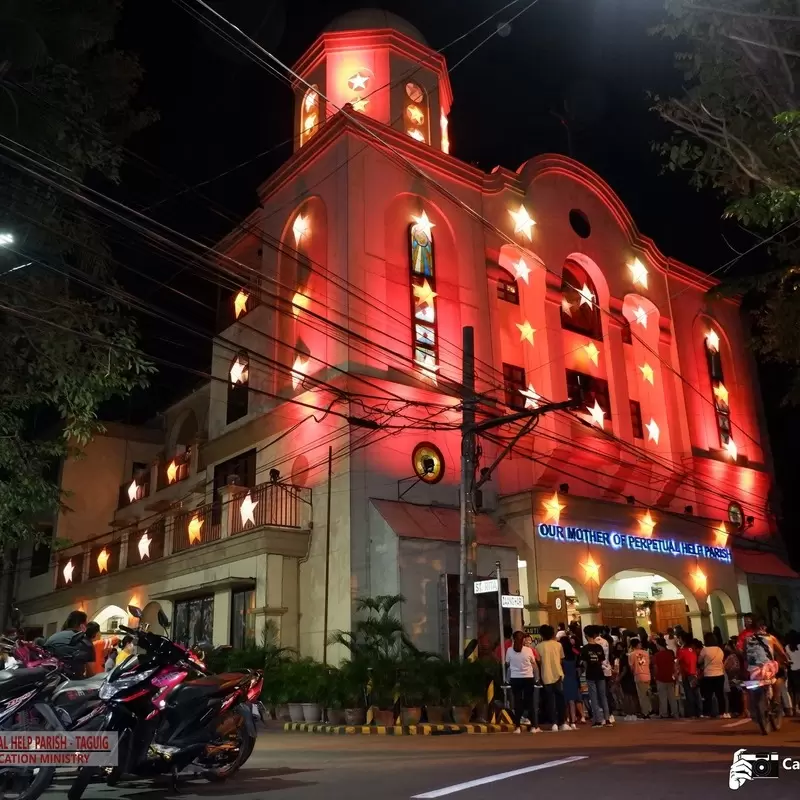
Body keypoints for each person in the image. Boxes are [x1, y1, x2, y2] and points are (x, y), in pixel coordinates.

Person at [506, 631, 541, 734]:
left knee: (517, 702)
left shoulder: (509, 650)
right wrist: (537, 678)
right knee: (529, 702)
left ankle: (517, 727)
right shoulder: (528, 650)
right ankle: (533, 726)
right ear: (523, 640)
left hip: (515, 678)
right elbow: (533, 664)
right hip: (528, 678)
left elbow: (507, 663)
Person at [535, 624, 568, 731]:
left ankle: (554, 723)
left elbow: (538, 662)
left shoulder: (538, 647)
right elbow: (562, 659)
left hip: (546, 675)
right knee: (560, 700)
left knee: (550, 700)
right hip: (558, 674)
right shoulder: (558, 645)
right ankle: (562, 722)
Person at [45, 610, 94, 678]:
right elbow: (91, 673)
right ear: (82, 626)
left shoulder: (52, 637)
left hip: (49, 680)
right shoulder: (84, 641)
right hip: (73, 684)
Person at [581, 625, 613, 727]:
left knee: (593, 697)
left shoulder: (585, 648)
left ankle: (598, 720)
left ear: (586, 635)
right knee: (603, 696)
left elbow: (585, 663)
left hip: (590, 674)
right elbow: (602, 660)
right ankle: (607, 719)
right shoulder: (599, 647)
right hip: (600, 673)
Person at [699, 631, 727, 719]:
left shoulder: (705, 650)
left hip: (708, 675)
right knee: (720, 695)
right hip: (720, 674)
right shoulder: (719, 649)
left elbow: (699, 661)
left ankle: (707, 713)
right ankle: (723, 712)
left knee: (708, 695)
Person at [653, 637, 678, 719]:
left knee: (662, 697)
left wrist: (655, 676)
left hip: (660, 677)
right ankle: (675, 712)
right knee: (672, 697)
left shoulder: (657, 655)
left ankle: (664, 713)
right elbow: (674, 665)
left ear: (659, 645)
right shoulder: (670, 653)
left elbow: (656, 667)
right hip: (670, 677)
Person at [628, 638, 652, 718]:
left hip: (638, 675)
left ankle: (645, 712)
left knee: (642, 695)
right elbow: (649, 663)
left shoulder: (631, 654)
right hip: (647, 674)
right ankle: (649, 709)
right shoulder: (646, 653)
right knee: (647, 693)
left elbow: (631, 667)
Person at [561, 634, 580, 729]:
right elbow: (579, 666)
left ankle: (566, 719)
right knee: (572, 700)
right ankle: (573, 720)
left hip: (564, 678)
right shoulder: (574, 653)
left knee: (564, 700)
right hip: (573, 678)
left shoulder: (561, 655)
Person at [786, 630, 800, 715]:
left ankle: (794, 707)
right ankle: (797, 707)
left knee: (793, 690)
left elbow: (786, 658)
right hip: (799, 670)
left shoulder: (787, 647)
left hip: (791, 671)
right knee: (798, 691)